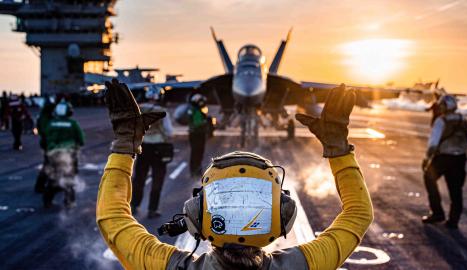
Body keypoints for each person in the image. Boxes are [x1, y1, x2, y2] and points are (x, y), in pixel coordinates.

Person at [96, 81, 373, 270]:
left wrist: (124, 143)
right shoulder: (302, 265)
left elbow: (112, 218)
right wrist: (338, 150)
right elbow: (358, 214)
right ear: (283, 213)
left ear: (197, 214)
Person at [422, 95, 467, 229]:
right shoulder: (463, 120)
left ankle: (437, 212)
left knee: (429, 179)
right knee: (456, 189)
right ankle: (454, 220)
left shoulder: (441, 121)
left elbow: (433, 144)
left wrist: (427, 158)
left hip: (443, 158)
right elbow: (466, 140)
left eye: (441, 105)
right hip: (459, 158)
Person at [131, 88, 174, 218]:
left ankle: (134, 206)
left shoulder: (139, 109)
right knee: (157, 179)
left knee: (139, 179)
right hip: (159, 148)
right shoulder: (162, 111)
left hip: (143, 147)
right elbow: (169, 131)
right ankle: (152, 209)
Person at [42, 101, 84, 208]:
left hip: (53, 154)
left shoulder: (51, 123)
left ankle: (47, 201)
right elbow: (81, 140)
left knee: (52, 177)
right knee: (69, 177)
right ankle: (69, 201)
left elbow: (44, 138)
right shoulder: (72, 124)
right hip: (69, 155)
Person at [34, 98, 57, 193]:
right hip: (47, 143)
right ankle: (40, 185)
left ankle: (51, 184)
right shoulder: (45, 117)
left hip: (49, 142)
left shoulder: (46, 115)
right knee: (48, 164)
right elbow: (45, 131)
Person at [188, 93, 208, 177]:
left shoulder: (191, 109)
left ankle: (194, 170)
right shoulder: (196, 111)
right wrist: (206, 121)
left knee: (194, 153)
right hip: (198, 134)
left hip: (193, 134)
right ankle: (196, 170)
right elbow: (197, 123)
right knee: (198, 153)